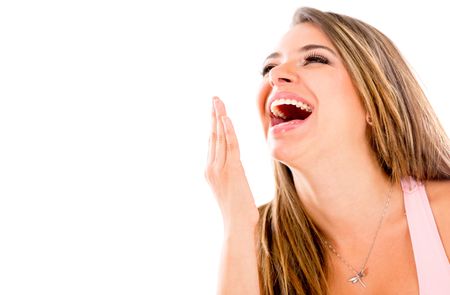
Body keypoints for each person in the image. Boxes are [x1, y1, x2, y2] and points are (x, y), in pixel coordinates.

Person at [205, 6, 450, 295]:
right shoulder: (254, 247)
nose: (276, 75)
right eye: (269, 68)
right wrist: (238, 226)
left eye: (314, 59)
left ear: (373, 101)